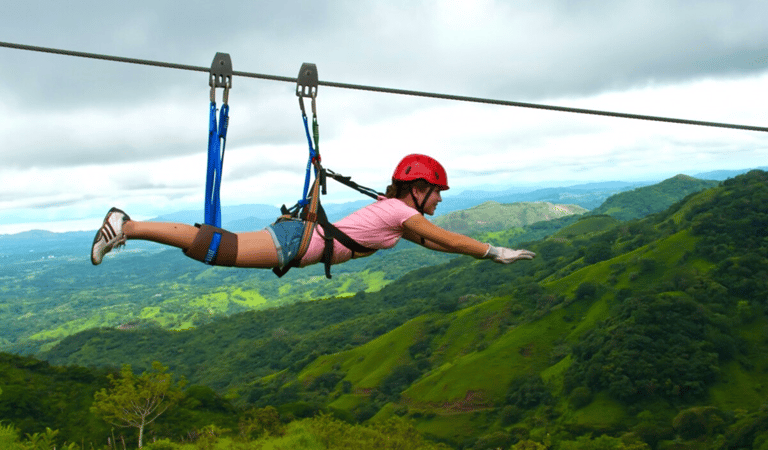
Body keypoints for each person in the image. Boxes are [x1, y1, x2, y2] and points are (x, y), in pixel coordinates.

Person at [91, 154, 536, 269]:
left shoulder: (395, 217)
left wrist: (481, 255)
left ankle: (129, 227)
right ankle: (126, 225)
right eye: (436, 193)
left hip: (297, 241)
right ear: (417, 190)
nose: (439, 200)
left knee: (217, 248)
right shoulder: (400, 213)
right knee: (218, 249)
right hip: (297, 242)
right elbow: (449, 238)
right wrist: (495, 252)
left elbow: (438, 247)